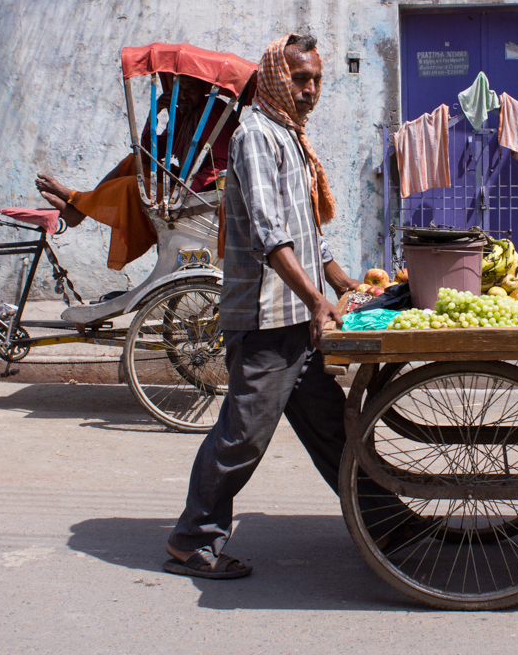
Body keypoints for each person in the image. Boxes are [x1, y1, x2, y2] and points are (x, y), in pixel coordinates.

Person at [164, 33, 383, 579]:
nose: (310, 90)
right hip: (267, 319)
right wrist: (316, 299)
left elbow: (307, 230)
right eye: (300, 79)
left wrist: (339, 282)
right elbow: (270, 232)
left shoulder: (291, 136)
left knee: (333, 427)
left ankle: (384, 518)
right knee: (242, 436)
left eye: (316, 80)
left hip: (296, 318)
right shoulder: (256, 136)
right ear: (275, 78)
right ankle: (193, 539)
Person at [35, 77, 230, 270]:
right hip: (186, 185)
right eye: (180, 89)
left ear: (203, 89)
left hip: (203, 194)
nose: (184, 95)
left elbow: (222, 164)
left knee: (132, 187)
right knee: (131, 163)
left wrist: (185, 191)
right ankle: (78, 208)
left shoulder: (211, 111)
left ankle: (76, 204)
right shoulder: (184, 115)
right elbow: (147, 156)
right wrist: (155, 114)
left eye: (191, 88)